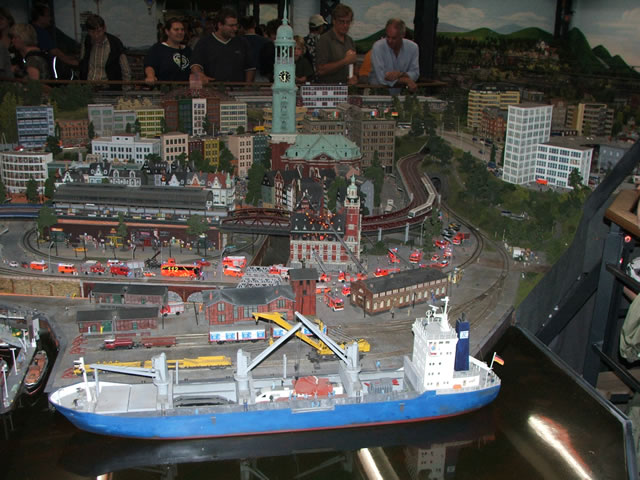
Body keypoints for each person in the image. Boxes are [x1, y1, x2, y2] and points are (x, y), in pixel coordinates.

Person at [190, 7, 255, 84]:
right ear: (220, 25)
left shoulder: (242, 42)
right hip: (212, 88)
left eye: (236, 25)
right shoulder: (204, 42)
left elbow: (250, 68)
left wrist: (247, 86)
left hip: (238, 89)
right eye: (231, 26)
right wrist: (199, 74)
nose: (235, 29)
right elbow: (195, 64)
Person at [79, 14, 131, 88]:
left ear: (104, 29)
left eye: (99, 31)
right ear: (88, 32)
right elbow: (83, 63)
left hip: (108, 88)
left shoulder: (115, 43)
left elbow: (125, 69)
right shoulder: (87, 41)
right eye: (92, 32)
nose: (96, 35)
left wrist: (125, 89)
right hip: (89, 87)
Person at [370, 18, 419, 93]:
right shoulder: (378, 47)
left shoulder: (413, 47)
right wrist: (405, 80)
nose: (390, 41)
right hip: (378, 92)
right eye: (387, 37)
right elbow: (382, 78)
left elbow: (415, 73)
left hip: (401, 94)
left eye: (394, 38)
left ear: (403, 35)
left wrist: (400, 74)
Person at [315, 4, 357, 85]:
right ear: (334, 21)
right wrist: (345, 61)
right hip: (328, 88)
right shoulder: (325, 40)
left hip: (346, 88)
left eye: (348, 22)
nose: (345, 25)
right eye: (342, 21)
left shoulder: (350, 41)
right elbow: (321, 70)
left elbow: (354, 65)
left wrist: (355, 77)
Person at [30, 2, 78, 67]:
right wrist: (72, 62)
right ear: (40, 17)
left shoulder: (31, 29)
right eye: (48, 16)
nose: (50, 18)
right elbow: (54, 51)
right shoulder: (41, 32)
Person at [144, 17, 191, 83]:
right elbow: (150, 65)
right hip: (165, 87)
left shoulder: (188, 50)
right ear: (167, 31)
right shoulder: (157, 48)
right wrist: (150, 76)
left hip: (185, 88)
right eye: (176, 30)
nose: (180, 32)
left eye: (182, 30)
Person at [239, 16, 269, 82]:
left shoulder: (238, 42)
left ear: (241, 27)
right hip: (261, 75)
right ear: (255, 25)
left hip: (242, 74)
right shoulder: (266, 42)